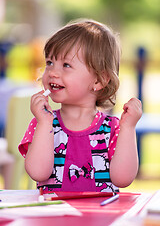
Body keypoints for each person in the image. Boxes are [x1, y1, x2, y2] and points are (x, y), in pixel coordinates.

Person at [18, 19, 142, 193]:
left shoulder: (114, 128)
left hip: (101, 217)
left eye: (66, 65)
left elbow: (123, 179)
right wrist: (44, 123)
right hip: (54, 216)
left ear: (98, 80)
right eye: (49, 63)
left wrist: (128, 128)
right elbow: (38, 173)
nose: (52, 72)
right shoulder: (42, 123)